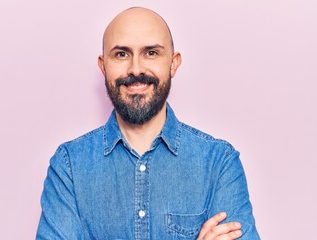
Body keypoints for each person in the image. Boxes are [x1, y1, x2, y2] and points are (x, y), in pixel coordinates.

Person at [36, 7, 260, 240]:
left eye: (151, 53)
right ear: (103, 66)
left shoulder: (218, 162)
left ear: (173, 64)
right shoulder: (69, 165)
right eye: (121, 54)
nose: (136, 69)